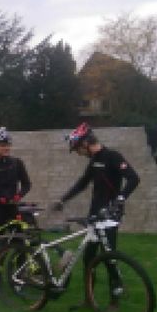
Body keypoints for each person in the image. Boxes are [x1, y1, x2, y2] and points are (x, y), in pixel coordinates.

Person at [52, 123, 139, 301]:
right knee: (89, 258)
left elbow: (133, 178)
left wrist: (120, 199)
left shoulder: (112, 156)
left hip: (110, 216)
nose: (78, 153)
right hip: (95, 215)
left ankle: (115, 300)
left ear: (85, 143)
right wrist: (63, 199)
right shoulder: (94, 161)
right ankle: (89, 300)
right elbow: (83, 183)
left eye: (77, 149)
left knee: (109, 259)